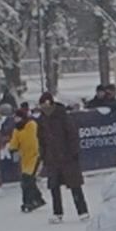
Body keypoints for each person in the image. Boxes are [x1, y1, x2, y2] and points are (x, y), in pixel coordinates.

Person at [38, 94, 87, 222]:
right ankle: (57, 213)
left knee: (75, 186)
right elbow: (41, 139)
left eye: (46, 105)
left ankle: (83, 211)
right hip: (52, 159)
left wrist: (73, 152)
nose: (44, 108)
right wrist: (43, 155)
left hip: (67, 157)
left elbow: (72, 136)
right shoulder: (42, 119)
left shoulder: (63, 117)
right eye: (42, 106)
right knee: (54, 187)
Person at [8, 106, 46, 213]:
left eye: (18, 118)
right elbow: (14, 142)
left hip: (35, 156)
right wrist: (13, 149)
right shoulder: (17, 129)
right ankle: (37, 199)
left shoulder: (31, 125)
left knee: (27, 180)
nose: (16, 120)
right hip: (25, 158)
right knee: (27, 180)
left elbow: (33, 140)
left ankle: (28, 201)